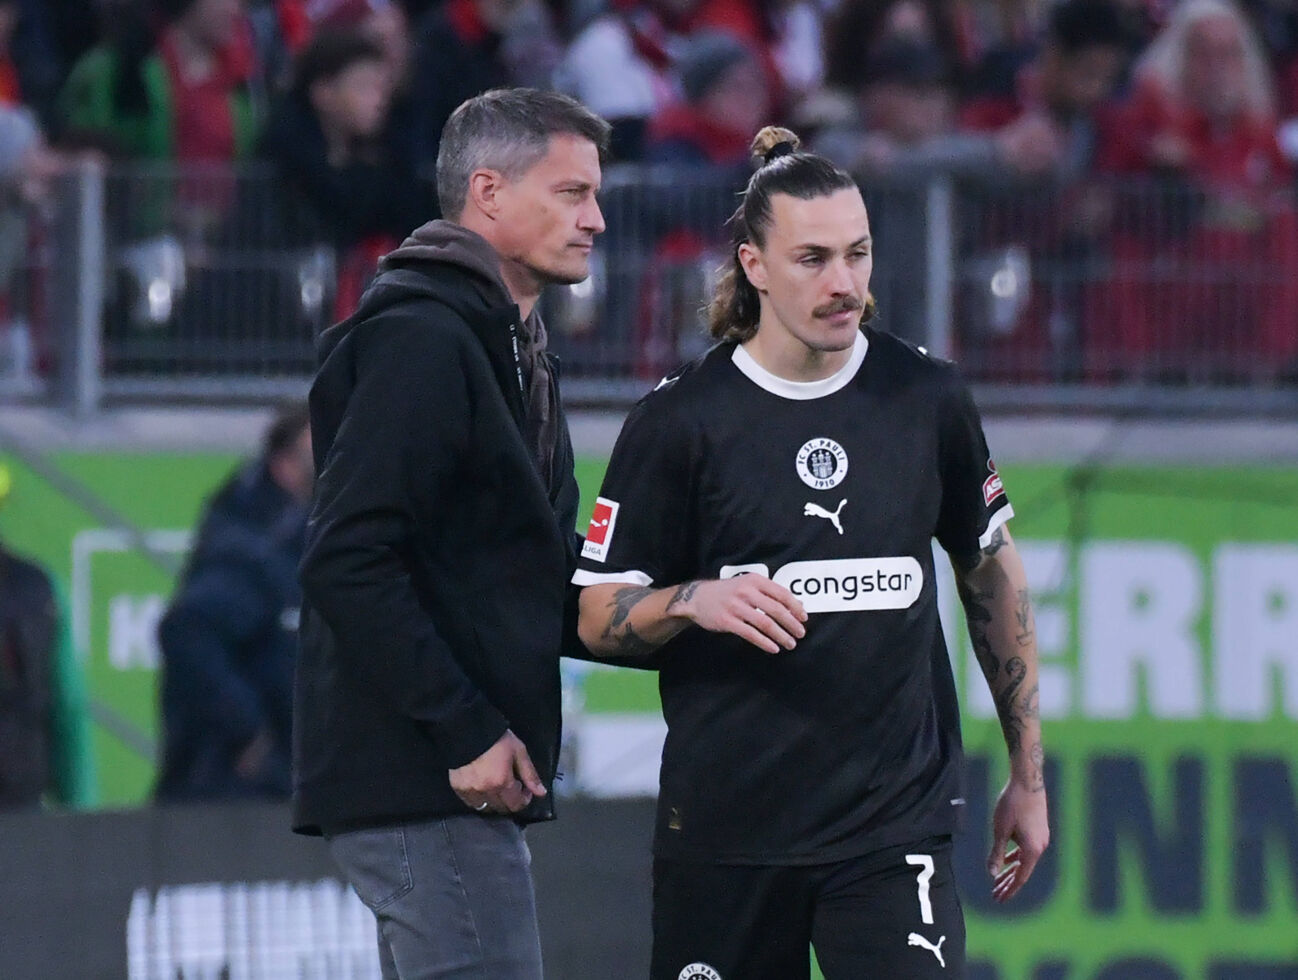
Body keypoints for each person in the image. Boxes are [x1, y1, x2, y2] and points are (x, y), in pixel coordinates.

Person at [574, 126, 1050, 979]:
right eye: (814, 259)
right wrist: (693, 600)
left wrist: (1029, 773)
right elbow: (594, 613)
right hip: (726, 837)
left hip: (892, 831)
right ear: (754, 266)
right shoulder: (679, 422)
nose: (844, 284)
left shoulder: (926, 397)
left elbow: (990, 571)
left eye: (858, 254)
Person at [294, 88, 609, 979]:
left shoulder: (514, 344)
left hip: (446, 785)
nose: (595, 219)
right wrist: (465, 730)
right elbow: (346, 557)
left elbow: (533, 577)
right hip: (428, 779)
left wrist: (688, 609)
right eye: (571, 193)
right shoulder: (424, 338)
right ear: (489, 192)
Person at [154, 403, 313, 802]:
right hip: (232, 791)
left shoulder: (281, 535)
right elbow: (187, 629)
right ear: (284, 465)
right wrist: (250, 733)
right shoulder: (255, 547)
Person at [0, 463, 95, 811]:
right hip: (21, 805)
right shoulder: (39, 588)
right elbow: (68, 708)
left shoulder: (40, 589)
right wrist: (81, 814)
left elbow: (68, 706)